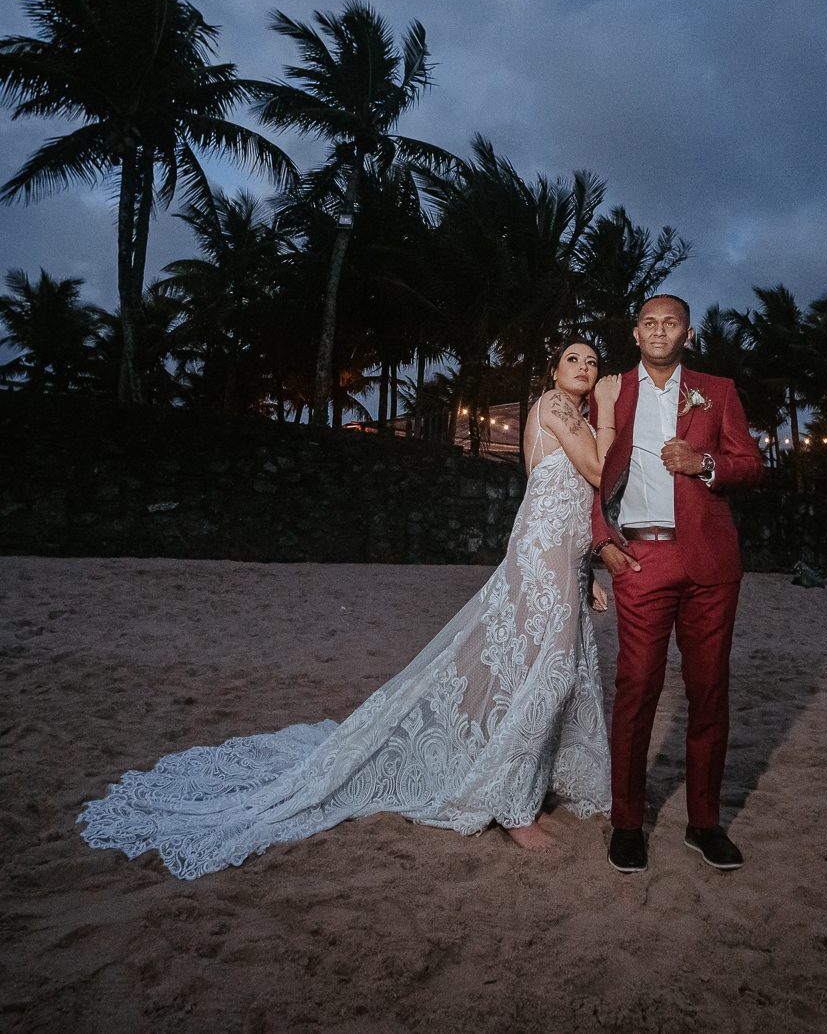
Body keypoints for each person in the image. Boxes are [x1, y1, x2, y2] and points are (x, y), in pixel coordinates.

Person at [79, 338, 621, 878]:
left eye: (593, 361)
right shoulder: (553, 405)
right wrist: (615, 410)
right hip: (541, 555)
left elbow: (572, 501)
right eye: (573, 358)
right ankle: (513, 805)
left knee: (542, 668)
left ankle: (529, 775)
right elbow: (598, 475)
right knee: (547, 671)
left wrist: (586, 572)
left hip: (560, 559)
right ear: (554, 370)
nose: (585, 367)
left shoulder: (579, 421)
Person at [590, 295, 763, 874]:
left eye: (671, 323)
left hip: (711, 564)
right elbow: (585, 471)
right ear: (635, 332)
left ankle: (704, 823)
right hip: (641, 559)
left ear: (687, 335)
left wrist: (704, 463)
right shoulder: (611, 392)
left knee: (709, 691)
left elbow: (751, 464)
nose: (659, 330)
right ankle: (628, 824)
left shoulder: (717, 389)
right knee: (636, 690)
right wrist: (604, 543)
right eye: (649, 322)